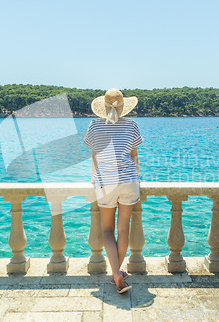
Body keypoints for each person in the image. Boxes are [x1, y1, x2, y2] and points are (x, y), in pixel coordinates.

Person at [83, 88, 143, 294]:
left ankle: (116, 272)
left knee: (107, 230)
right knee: (123, 228)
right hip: (128, 181)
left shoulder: (94, 125)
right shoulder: (132, 125)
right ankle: (117, 273)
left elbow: (95, 156)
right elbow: (134, 156)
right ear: (123, 106)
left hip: (105, 182)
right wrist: (137, 176)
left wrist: (93, 177)